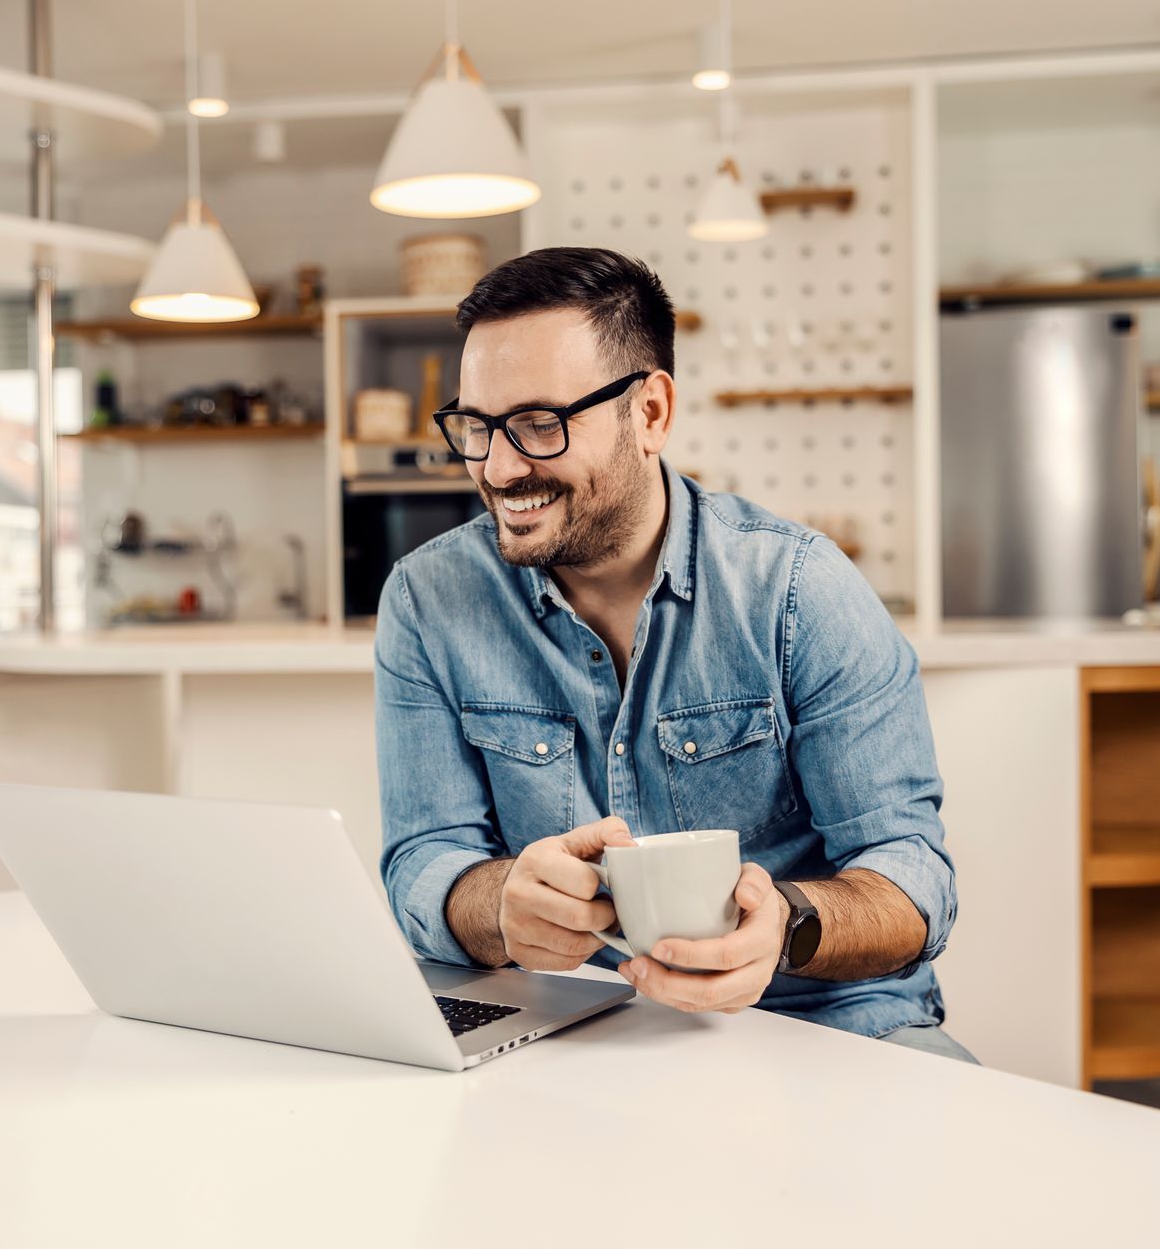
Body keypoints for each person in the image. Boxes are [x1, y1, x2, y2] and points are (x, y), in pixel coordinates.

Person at [374, 247, 972, 1062]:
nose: (499, 468)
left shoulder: (799, 588)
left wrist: (787, 927)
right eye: (476, 428)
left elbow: (910, 878)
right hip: (570, 1036)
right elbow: (424, 860)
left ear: (650, 412)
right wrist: (497, 903)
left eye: (540, 425)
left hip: (825, 1027)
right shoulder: (426, 599)